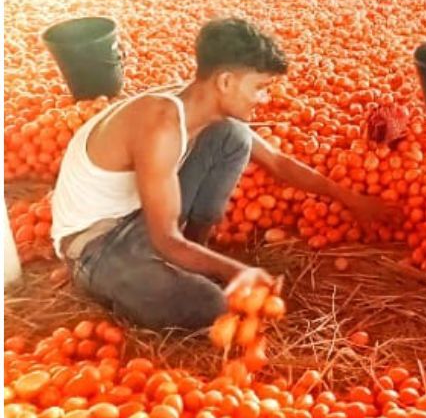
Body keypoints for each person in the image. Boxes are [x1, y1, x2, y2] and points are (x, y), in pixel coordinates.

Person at [51, 18, 398, 330]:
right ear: (227, 81)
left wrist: (350, 199)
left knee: (234, 136)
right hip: (99, 242)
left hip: (141, 213)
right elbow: (166, 239)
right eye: (259, 87)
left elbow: (277, 162)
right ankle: (99, 275)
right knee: (211, 306)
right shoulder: (161, 126)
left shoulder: (196, 100)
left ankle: (192, 256)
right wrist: (237, 271)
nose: (263, 98)